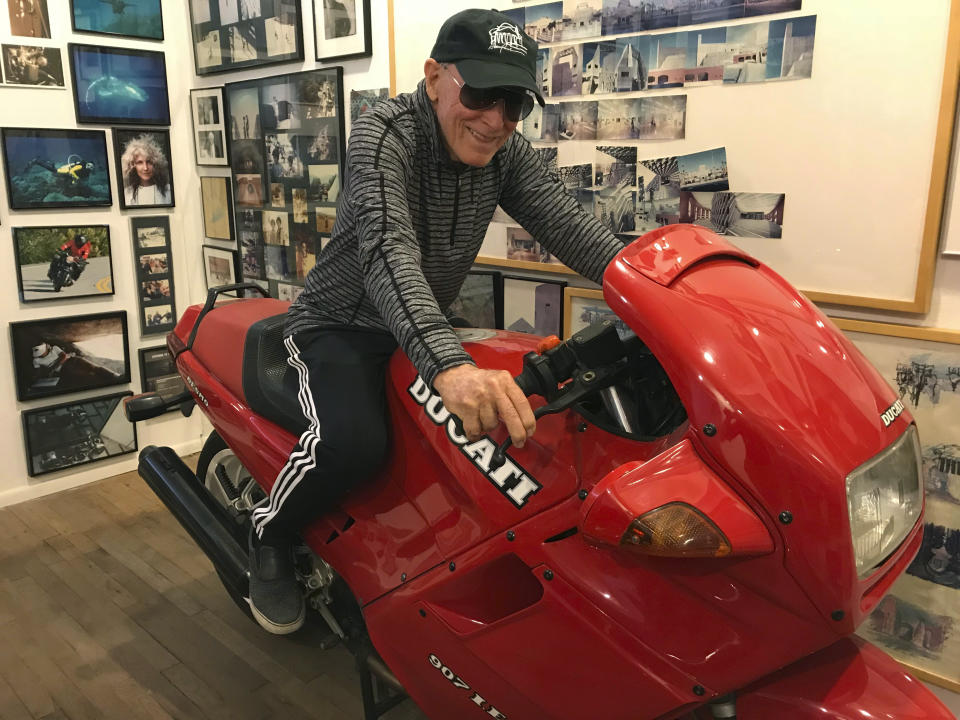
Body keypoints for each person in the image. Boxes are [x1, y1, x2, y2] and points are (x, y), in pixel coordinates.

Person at [245, 8, 624, 635]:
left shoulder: (504, 151)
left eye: (514, 102)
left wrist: (660, 293)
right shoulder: (383, 135)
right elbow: (389, 252)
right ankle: (271, 533)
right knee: (355, 443)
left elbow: (571, 228)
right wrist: (449, 364)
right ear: (433, 78)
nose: (496, 119)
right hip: (340, 325)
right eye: (479, 93)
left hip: (423, 321)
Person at [120, 135, 172, 206]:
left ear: (156, 163)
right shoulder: (126, 194)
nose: (145, 168)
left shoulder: (169, 191)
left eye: (149, 162)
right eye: (140, 162)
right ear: (132, 165)